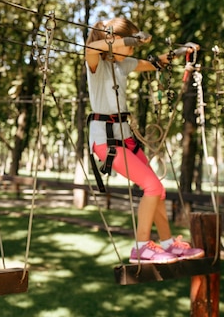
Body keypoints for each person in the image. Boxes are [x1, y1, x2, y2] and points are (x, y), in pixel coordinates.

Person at [85, 17, 204, 264]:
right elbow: (93, 48)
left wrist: (182, 52)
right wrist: (126, 40)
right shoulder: (95, 64)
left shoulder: (123, 65)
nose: (130, 51)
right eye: (128, 46)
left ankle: (169, 243)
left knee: (157, 191)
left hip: (125, 139)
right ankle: (141, 247)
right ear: (112, 41)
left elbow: (154, 63)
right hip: (105, 142)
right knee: (153, 187)